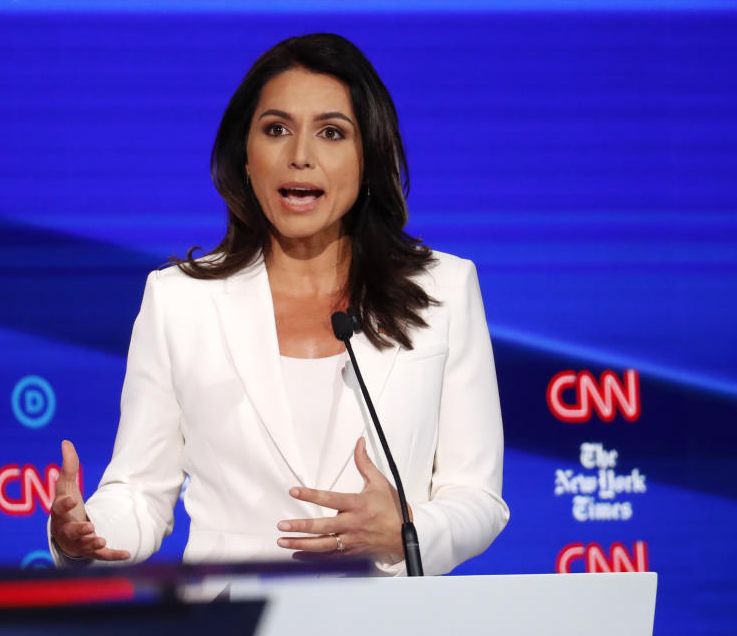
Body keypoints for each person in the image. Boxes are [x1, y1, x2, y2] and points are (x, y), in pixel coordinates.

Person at [47, 33, 509, 576]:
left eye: (331, 133)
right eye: (276, 130)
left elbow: (477, 498)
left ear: (368, 158)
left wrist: (405, 529)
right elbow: (140, 490)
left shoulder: (444, 289)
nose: (300, 157)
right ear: (245, 155)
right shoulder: (179, 300)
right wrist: (87, 533)